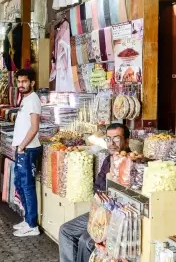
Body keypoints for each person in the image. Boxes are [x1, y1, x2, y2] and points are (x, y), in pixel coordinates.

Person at [59, 123, 130, 262]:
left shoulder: (131, 164)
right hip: (100, 211)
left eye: (116, 139)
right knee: (65, 230)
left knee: (86, 240)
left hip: (117, 217)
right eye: (108, 139)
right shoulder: (108, 160)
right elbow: (97, 187)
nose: (112, 143)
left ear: (126, 141)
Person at [11, 69, 42, 237]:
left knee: (27, 187)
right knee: (20, 184)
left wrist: (22, 146)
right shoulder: (26, 99)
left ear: (32, 83)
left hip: (28, 149)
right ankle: (27, 219)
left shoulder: (33, 100)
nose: (21, 84)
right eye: (19, 81)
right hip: (22, 148)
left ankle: (32, 225)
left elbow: (34, 127)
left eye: (24, 81)